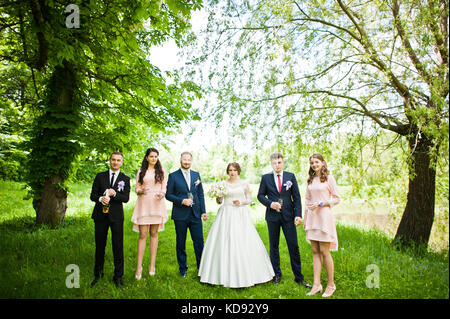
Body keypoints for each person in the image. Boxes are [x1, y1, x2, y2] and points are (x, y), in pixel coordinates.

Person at [198, 163, 274, 288]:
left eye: (234, 170)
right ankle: (218, 273)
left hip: (240, 214)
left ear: (238, 171)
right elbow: (219, 202)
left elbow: (250, 199)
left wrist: (241, 202)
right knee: (223, 240)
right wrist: (219, 196)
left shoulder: (244, 183)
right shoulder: (223, 184)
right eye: (230, 170)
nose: (232, 172)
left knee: (242, 239)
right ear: (227, 171)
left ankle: (249, 273)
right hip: (226, 213)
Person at [257, 153, 311, 288]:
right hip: (272, 217)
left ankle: (299, 277)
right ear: (271, 163)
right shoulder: (266, 178)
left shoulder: (290, 176)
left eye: (279, 162)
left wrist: (298, 215)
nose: (277, 165)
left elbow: (297, 197)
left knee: (293, 246)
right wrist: (270, 204)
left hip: (289, 216)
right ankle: (276, 274)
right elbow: (260, 195)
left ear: (283, 162)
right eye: (274, 163)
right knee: (273, 246)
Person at [89, 152, 130, 288]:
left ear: (121, 163)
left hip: (116, 217)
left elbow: (125, 198)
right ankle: (98, 274)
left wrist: (115, 194)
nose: (116, 162)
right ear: (110, 160)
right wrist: (101, 198)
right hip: (100, 216)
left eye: (118, 160)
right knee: (100, 245)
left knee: (118, 246)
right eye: (113, 160)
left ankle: (118, 277)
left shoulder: (125, 178)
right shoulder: (100, 176)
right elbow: (92, 195)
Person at [166, 152, 208, 277]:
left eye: (189, 160)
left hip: (195, 214)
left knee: (199, 242)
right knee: (181, 242)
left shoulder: (196, 175)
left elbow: (200, 194)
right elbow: (168, 194)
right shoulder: (173, 176)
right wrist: (181, 201)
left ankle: (202, 268)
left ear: (191, 161)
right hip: (180, 215)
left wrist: (203, 211)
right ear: (180, 160)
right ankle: (182, 268)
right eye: (184, 159)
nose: (187, 162)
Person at [303, 153, 340, 297]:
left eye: (317, 162)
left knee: (325, 252)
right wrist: (306, 216)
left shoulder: (329, 178)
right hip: (312, 218)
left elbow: (337, 198)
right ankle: (316, 285)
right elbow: (307, 199)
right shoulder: (311, 180)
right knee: (314, 251)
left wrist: (322, 203)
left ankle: (331, 285)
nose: (314, 165)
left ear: (323, 163)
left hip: (324, 217)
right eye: (312, 162)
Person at [131, 148, 168, 280]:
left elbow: (164, 188)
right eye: (151, 156)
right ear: (146, 157)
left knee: (154, 234)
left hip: (157, 205)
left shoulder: (162, 172)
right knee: (143, 235)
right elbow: (137, 187)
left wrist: (161, 194)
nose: (154, 159)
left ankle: (152, 266)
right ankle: (139, 267)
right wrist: (139, 191)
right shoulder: (141, 171)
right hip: (143, 205)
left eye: (156, 156)